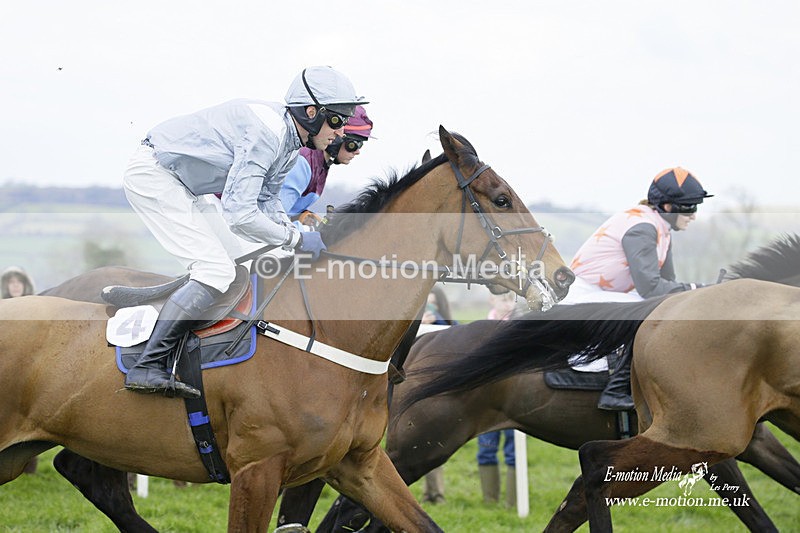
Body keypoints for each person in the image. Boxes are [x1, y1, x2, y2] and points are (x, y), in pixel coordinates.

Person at [122, 66, 367, 399]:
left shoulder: (290, 142)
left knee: (238, 264)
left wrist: (292, 242)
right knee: (215, 270)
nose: (339, 134)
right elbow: (240, 216)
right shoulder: (268, 133)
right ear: (311, 113)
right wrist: (295, 239)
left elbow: (268, 203)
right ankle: (147, 365)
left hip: (185, 186)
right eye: (336, 122)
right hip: (155, 177)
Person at [567, 167, 712, 410]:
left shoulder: (661, 229)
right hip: (582, 296)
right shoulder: (643, 227)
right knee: (648, 309)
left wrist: (699, 292)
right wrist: (699, 288)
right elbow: (652, 289)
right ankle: (616, 389)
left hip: (605, 295)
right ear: (667, 207)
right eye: (690, 207)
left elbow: (669, 287)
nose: (694, 215)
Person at [279, 105, 374, 225]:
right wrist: (312, 232)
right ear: (337, 138)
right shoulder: (303, 163)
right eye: (355, 144)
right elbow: (273, 217)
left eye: (361, 145)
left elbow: (292, 212)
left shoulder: (321, 164)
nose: (357, 151)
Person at [477, 292, 518, 507]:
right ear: (492, 300)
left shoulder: (519, 327)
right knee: (486, 449)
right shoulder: (481, 329)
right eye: (503, 299)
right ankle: (490, 500)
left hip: (513, 400)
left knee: (514, 451)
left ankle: (513, 501)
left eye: (511, 300)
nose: (508, 304)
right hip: (486, 402)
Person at [419, 285, 456, 505]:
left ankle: (436, 494)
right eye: (427, 303)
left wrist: (438, 323)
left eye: (434, 303)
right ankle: (429, 494)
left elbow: (458, 335)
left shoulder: (447, 324)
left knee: (435, 443)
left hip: (441, 390)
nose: (430, 307)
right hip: (416, 388)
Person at [2, 266, 38, 473]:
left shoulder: (37, 308)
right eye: (11, 282)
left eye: (18, 282)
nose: (15, 286)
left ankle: (29, 466)